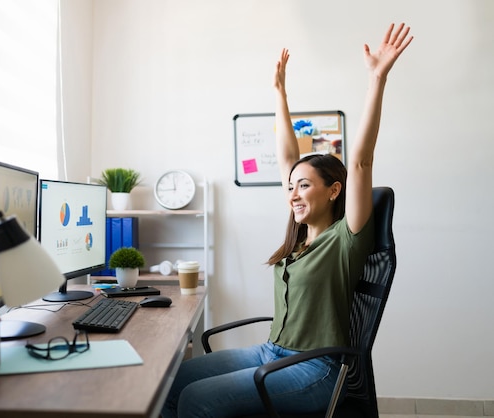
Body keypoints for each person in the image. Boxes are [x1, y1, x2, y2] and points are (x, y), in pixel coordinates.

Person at [161, 23, 413, 418]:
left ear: (333, 190)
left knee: (197, 399)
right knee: (176, 379)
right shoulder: (297, 241)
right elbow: (286, 158)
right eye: (290, 187)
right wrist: (279, 93)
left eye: (304, 186)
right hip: (272, 351)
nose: (292, 194)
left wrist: (376, 79)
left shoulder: (346, 237)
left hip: (316, 368)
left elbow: (362, 160)